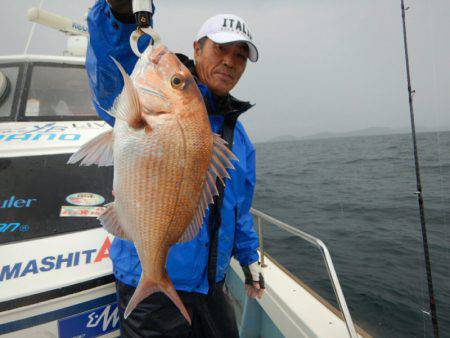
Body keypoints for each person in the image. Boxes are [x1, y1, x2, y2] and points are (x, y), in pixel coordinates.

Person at [86, 1, 264, 336]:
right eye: (221, 49)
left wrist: (249, 258)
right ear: (197, 49)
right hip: (151, 289)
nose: (230, 61)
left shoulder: (239, 140)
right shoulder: (152, 97)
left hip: (212, 286)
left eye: (240, 55)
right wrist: (120, 16)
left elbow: (238, 210)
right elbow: (110, 75)